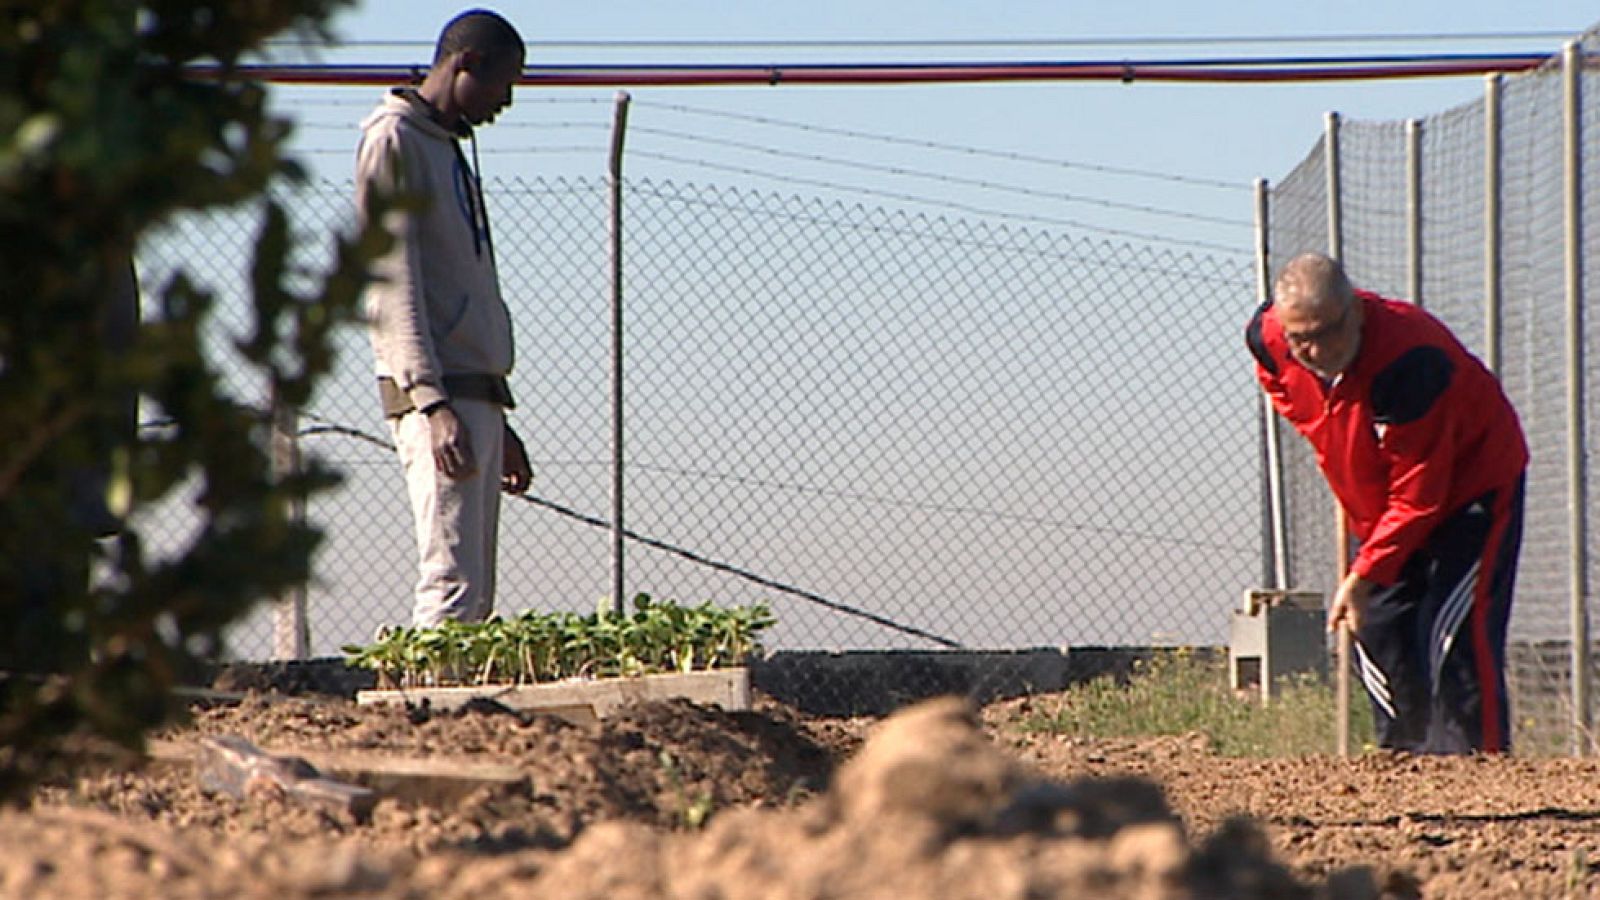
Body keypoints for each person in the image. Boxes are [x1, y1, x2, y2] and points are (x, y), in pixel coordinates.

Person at [1245, 252, 1528, 754]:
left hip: (1470, 490)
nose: (1311, 349)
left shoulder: (1411, 360)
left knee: (1452, 637)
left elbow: (1421, 494)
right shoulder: (1267, 342)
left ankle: (1476, 765)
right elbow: (1287, 391)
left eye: (1325, 332)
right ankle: (1404, 759)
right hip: (1381, 501)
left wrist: (1362, 573)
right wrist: (1339, 445)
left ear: (1354, 310)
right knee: (1375, 627)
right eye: (1299, 337)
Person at [355, 8, 532, 627]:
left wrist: (495, 413)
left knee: (476, 587)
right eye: (502, 84)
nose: (505, 102)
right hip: (441, 397)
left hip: (472, 394)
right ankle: (432, 715)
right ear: (467, 64)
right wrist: (432, 403)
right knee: (450, 580)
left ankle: (460, 714)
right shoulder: (394, 140)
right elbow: (390, 283)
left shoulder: (446, 149)